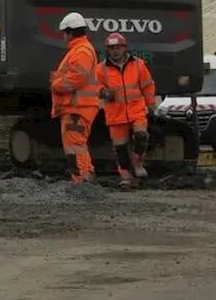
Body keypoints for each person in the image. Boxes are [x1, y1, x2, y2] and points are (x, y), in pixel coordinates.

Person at [95, 31, 156, 187]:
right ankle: (126, 177)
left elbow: (147, 85)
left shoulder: (138, 64)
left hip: (136, 109)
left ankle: (138, 165)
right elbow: (93, 87)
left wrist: (150, 104)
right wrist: (103, 92)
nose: (115, 50)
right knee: (120, 149)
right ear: (107, 50)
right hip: (115, 113)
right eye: (111, 47)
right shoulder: (100, 69)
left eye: (118, 47)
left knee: (141, 136)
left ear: (124, 48)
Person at [50, 12, 102, 183]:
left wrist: (56, 85)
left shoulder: (81, 51)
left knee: (74, 144)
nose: (63, 36)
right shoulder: (80, 50)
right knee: (77, 144)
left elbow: (77, 78)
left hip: (78, 107)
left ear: (70, 32)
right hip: (77, 107)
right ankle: (87, 175)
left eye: (64, 33)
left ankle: (81, 180)